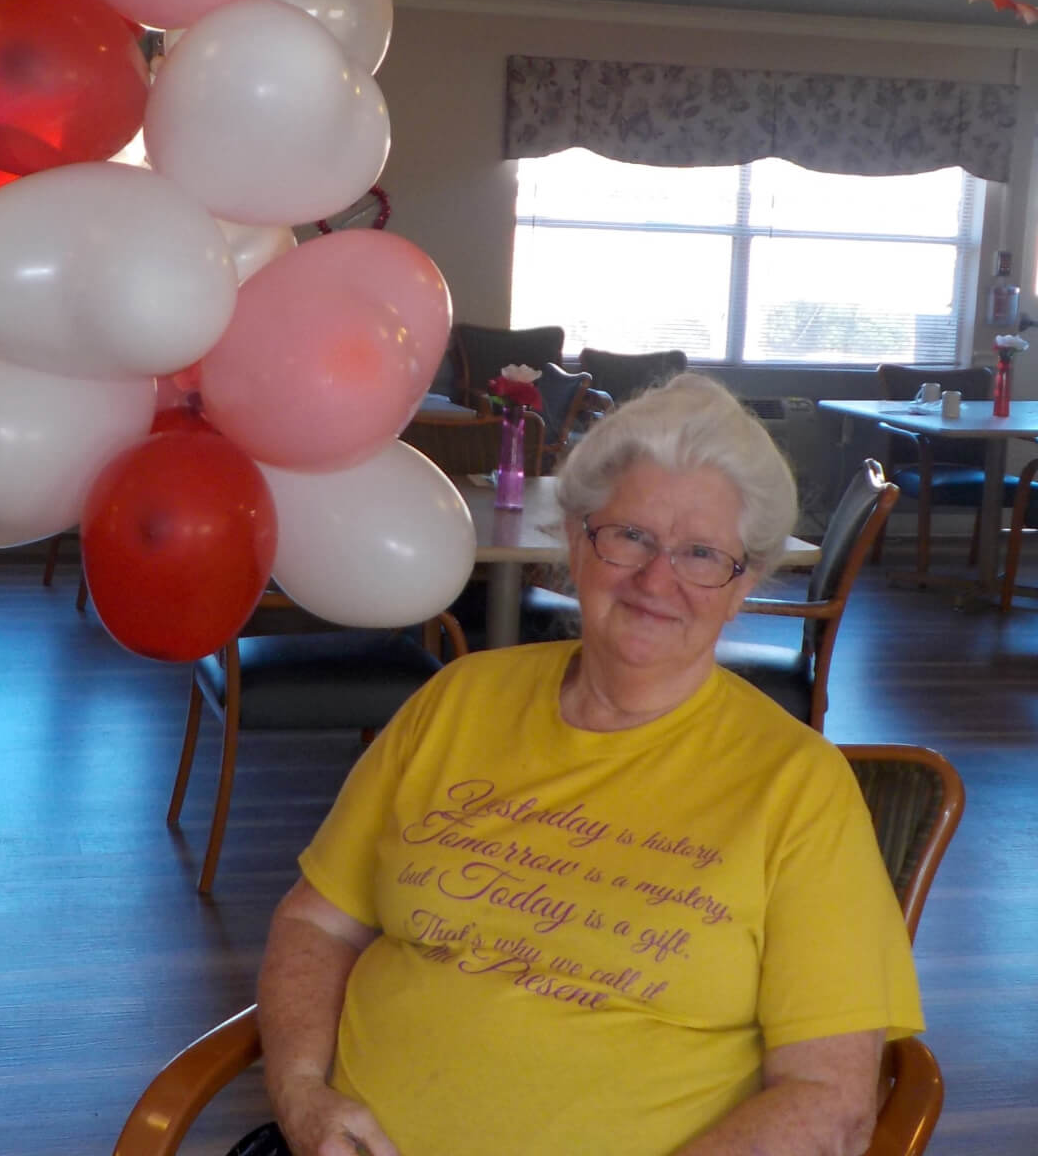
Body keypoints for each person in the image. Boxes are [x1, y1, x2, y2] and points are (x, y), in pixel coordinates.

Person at [253, 372, 923, 1156]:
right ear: (574, 540)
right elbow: (315, 921)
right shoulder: (459, 700)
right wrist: (300, 1092)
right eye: (629, 535)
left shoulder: (796, 787)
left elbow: (828, 1101)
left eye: (701, 554)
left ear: (742, 589)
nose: (655, 580)